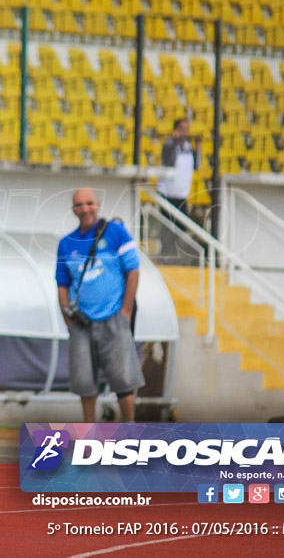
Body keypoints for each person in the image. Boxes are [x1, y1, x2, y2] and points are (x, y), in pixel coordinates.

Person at [56, 188, 144, 424]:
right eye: (79, 205)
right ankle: (89, 434)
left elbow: (133, 271)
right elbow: (62, 283)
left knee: (124, 381)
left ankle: (130, 431)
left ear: (98, 204)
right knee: (85, 383)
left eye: (89, 203)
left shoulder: (116, 233)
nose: (85, 209)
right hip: (82, 323)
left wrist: (125, 312)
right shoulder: (66, 244)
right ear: (74, 210)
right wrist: (68, 317)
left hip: (114, 317)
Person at [155, 118, 201, 261]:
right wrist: (176, 142)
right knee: (167, 227)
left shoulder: (189, 147)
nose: (185, 132)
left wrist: (198, 147)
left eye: (186, 129)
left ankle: (173, 254)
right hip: (167, 193)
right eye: (181, 129)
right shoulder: (169, 144)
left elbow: (197, 166)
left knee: (180, 227)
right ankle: (165, 254)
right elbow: (169, 161)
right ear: (175, 130)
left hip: (181, 194)